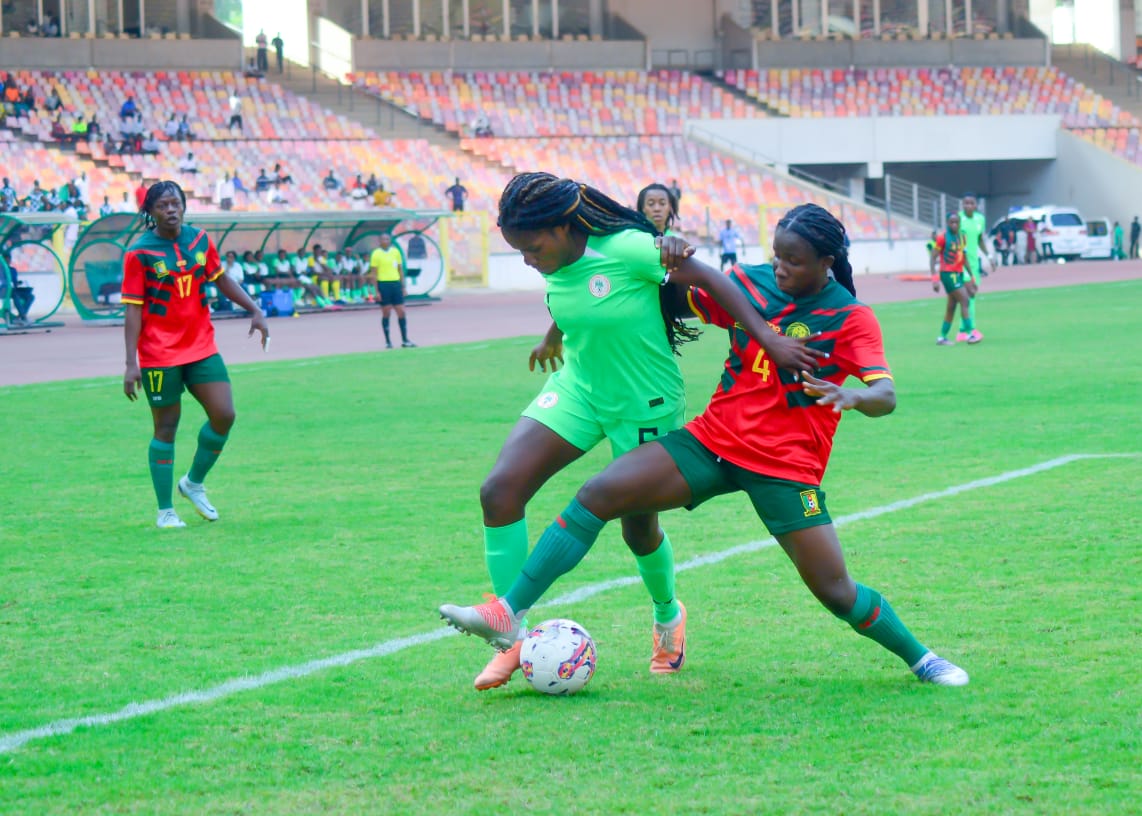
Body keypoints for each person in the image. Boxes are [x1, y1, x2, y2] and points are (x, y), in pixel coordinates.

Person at [439, 202, 970, 688]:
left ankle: (924, 660)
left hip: (785, 468)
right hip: (711, 442)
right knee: (598, 494)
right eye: (777, 256)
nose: (780, 268)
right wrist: (664, 256)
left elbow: (887, 394)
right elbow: (659, 290)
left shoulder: (851, 318)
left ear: (826, 261)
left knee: (836, 592)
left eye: (794, 260)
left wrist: (851, 396)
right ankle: (508, 612)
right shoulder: (754, 283)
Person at [444, 172, 823, 692]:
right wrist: (553, 335)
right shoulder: (554, 254)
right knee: (499, 492)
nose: (529, 260)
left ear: (562, 226)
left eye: (532, 249)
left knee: (637, 530)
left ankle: (668, 618)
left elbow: (711, 280)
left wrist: (767, 339)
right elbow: (574, 293)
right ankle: (511, 637)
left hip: (643, 401)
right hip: (580, 388)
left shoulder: (627, 248)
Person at [121, 180, 269, 529]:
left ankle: (193, 482)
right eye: (162, 205)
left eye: (175, 203)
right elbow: (132, 311)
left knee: (224, 414)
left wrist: (254, 309)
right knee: (166, 429)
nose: (170, 210)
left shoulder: (200, 240)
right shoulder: (139, 253)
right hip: (159, 354)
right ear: (151, 212)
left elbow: (221, 279)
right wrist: (131, 363)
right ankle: (165, 511)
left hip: (201, 347)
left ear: (184, 206)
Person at [930, 212, 980, 346]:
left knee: (951, 306)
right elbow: (933, 257)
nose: (954, 225)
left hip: (957, 274)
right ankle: (970, 335)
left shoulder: (962, 237)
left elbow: (963, 259)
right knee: (965, 299)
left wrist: (972, 277)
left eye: (956, 222)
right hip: (947, 273)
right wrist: (935, 279)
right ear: (947, 223)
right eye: (951, 222)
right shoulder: (942, 238)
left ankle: (942, 337)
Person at [369, 232, 414, 348]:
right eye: (383, 239)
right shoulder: (376, 254)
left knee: (401, 311)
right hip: (383, 284)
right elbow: (373, 274)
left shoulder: (395, 252)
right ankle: (388, 341)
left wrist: (403, 286)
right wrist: (376, 291)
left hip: (395, 284)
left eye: (387, 239)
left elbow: (400, 270)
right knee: (386, 312)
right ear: (379, 241)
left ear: (390, 240)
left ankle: (405, 340)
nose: (385, 241)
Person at [956, 195, 988, 342]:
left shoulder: (980, 219)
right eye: (966, 203)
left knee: (968, 297)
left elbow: (980, 239)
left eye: (971, 203)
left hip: (974, 264)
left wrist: (990, 256)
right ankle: (971, 329)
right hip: (961, 263)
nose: (968, 206)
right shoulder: (958, 219)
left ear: (976, 205)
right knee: (970, 295)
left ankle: (962, 330)